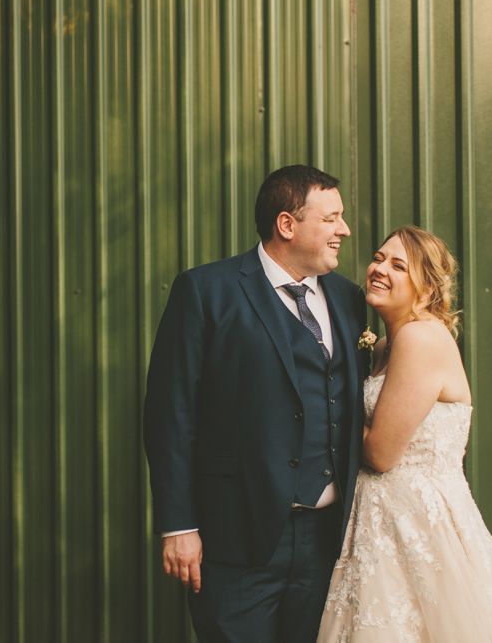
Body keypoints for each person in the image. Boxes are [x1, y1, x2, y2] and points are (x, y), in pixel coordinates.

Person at [143, 165, 370, 642]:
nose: (344, 230)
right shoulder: (206, 291)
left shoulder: (350, 300)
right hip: (235, 538)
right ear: (287, 225)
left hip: (327, 540)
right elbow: (171, 412)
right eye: (331, 219)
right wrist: (178, 525)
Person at [317, 225, 492, 642]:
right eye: (377, 258)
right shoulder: (387, 342)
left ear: (426, 290)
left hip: (417, 524)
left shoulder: (420, 337)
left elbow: (381, 454)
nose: (378, 269)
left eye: (398, 265)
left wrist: (325, 409)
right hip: (381, 520)